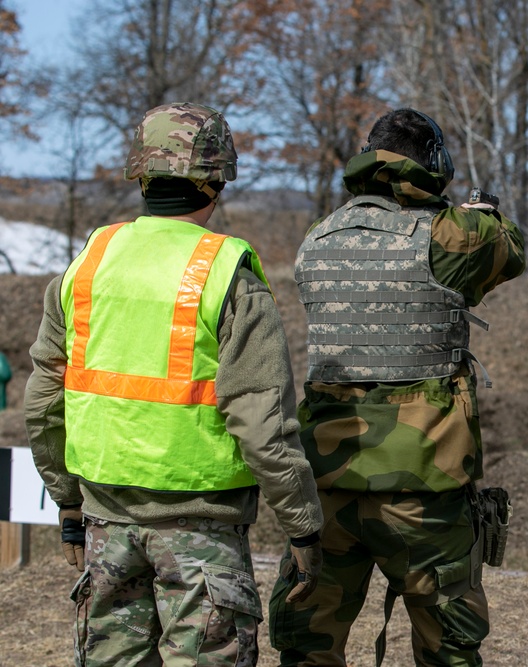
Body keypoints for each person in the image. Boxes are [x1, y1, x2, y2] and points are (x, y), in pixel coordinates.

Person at [23, 102, 324, 666]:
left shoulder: (87, 264)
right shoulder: (227, 275)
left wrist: (67, 501)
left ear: (140, 175)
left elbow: (43, 402)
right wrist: (302, 527)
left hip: (104, 519)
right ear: (217, 180)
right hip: (202, 533)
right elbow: (263, 426)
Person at [268, 108, 526, 667]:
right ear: (431, 166)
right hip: (425, 489)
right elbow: (512, 251)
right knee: (449, 649)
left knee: (307, 645)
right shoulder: (450, 232)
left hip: (329, 484)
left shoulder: (318, 238)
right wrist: (481, 213)